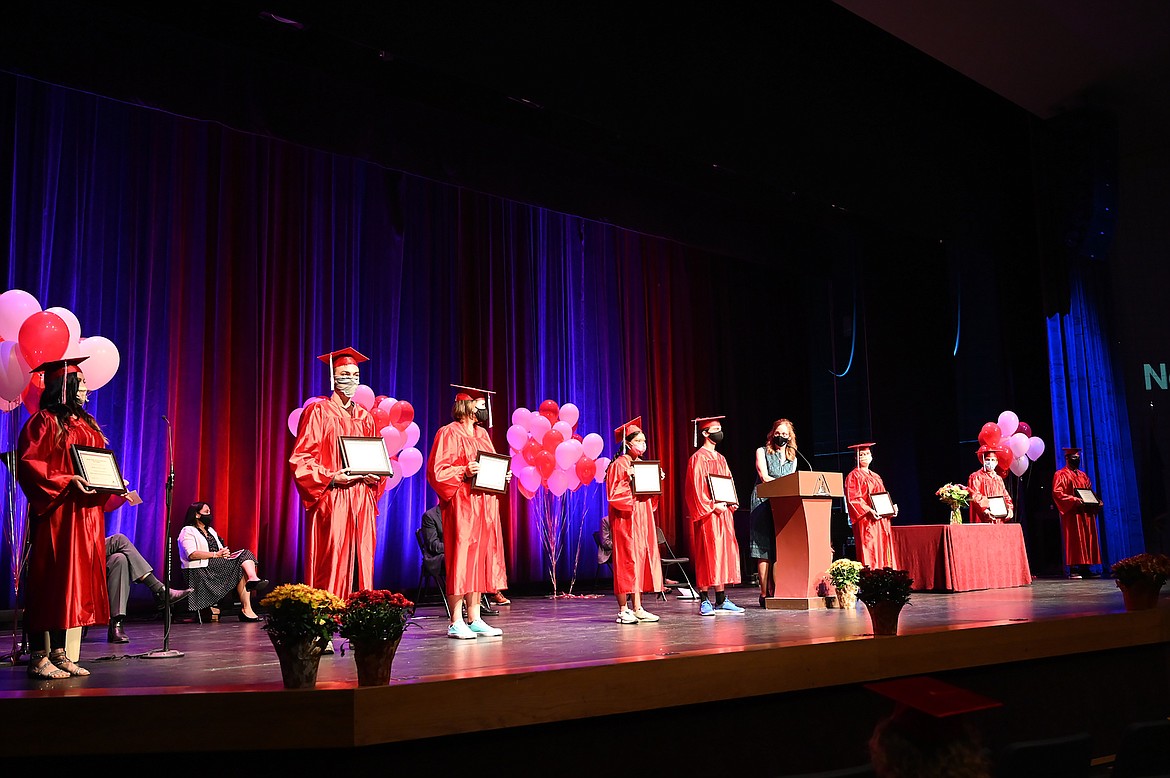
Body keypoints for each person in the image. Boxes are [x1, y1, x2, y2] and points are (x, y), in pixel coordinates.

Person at [17, 357, 111, 679]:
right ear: (66, 387)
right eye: (82, 384)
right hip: (57, 515)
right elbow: (30, 464)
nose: (87, 389)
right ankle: (37, 656)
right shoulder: (42, 423)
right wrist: (65, 480)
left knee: (70, 587)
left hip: (84, 517)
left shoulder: (87, 423)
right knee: (49, 583)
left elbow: (97, 463)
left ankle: (59, 653)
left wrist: (113, 483)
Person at [289, 347, 386, 599]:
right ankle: (325, 623)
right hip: (333, 498)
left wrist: (375, 476)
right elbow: (301, 459)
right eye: (345, 374)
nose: (351, 380)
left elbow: (376, 458)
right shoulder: (318, 412)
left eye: (355, 374)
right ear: (333, 377)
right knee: (331, 562)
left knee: (361, 564)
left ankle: (359, 624)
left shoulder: (365, 417)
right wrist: (332, 476)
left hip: (361, 499)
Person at [426, 384, 509, 639]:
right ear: (465, 405)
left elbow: (490, 464)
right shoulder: (447, 433)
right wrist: (463, 470)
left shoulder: (482, 434)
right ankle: (455, 621)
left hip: (483, 505)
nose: (482, 408)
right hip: (461, 505)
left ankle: (474, 618)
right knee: (461, 560)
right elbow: (436, 472)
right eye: (478, 404)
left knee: (480, 559)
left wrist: (502, 476)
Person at [606, 416, 665, 624]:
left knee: (639, 560)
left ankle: (638, 607)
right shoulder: (619, 464)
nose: (643, 445)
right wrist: (630, 480)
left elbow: (649, 497)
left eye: (644, 441)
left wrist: (655, 483)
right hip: (626, 519)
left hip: (642, 518)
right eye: (639, 441)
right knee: (626, 561)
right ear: (627, 443)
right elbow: (614, 495)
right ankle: (623, 609)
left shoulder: (642, 464)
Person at [684, 416, 744, 615]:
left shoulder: (721, 459)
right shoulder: (697, 459)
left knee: (723, 554)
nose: (719, 432)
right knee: (707, 555)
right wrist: (711, 505)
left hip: (723, 513)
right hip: (708, 515)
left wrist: (730, 501)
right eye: (715, 429)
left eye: (720, 428)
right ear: (704, 433)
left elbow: (728, 483)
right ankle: (704, 600)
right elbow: (694, 490)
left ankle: (721, 599)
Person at [177, 502, 268, 621]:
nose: (209, 515)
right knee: (243, 558)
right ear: (197, 515)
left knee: (243, 559)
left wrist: (224, 553)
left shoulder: (210, 531)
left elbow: (220, 549)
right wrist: (216, 555)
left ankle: (248, 605)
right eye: (206, 512)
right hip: (200, 570)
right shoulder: (188, 530)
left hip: (216, 565)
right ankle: (252, 584)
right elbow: (192, 554)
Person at [747, 418, 798, 607]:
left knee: (779, 549)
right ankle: (763, 593)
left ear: (790, 437)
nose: (781, 437)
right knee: (763, 548)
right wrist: (781, 487)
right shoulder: (762, 451)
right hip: (762, 501)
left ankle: (776, 590)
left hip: (783, 503)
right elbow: (764, 476)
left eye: (785, 434)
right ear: (772, 433)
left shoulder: (793, 457)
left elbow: (793, 479)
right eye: (778, 433)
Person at [105, 533, 193, 643]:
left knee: (119, 559)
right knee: (119, 539)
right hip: (79, 550)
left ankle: (116, 623)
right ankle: (160, 590)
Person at [420, 503, 499, 616]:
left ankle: (476, 603)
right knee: (459, 560)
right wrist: (457, 548)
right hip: (438, 557)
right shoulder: (430, 516)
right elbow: (434, 546)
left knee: (477, 558)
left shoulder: (461, 513)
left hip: (460, 555)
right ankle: (460, 604)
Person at [844, 442, 898, 569]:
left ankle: (886, 578)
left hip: (881, 520)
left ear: (871, 456)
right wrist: (868, 510)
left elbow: (882, 496)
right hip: (867, 520)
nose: (865, 456)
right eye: (861, 454)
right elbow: (854, 499)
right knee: (871, 548)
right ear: (856, 458)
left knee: (884, 548)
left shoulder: (876, 476)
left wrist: (891, 509)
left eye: (867, 454)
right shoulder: (853, 476)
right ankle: (871, 578)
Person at [1051, 447, 1102, 578]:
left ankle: (1086, 567)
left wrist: (1096, 501)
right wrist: (1073, 500)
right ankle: (1074, 568)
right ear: (1067, 459)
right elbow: (1057, 493)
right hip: (1072, 512)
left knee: (1087, 537)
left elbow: (1089, 491)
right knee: (1074, 538)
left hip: (1085, 511)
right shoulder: (1060, 474)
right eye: (1074, 458)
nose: (1077, 460)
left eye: (1078, 458)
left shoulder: (1083, 475)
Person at [967, 446, 1014, 524]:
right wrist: (985, 509)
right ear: (983, 461)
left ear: (996, 462)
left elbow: (1006, 496)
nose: (990, 462)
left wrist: (1009, 509)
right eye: (987, 460)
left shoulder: (998, 479)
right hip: (984, 517)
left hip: (998, 518)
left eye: (993, 460)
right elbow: (975, 495)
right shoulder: (976, 476)